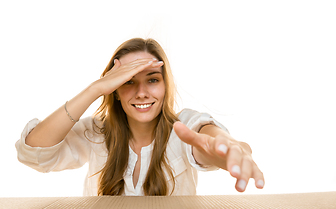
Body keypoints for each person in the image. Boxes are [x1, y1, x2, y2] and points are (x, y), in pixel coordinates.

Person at [15, 38, 264, 196]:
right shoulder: (96, 132)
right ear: (114, 90)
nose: (142, 92)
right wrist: (94, 89)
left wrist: (228, 147)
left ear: (165, 86)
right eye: (128, 81)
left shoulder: (183, 127)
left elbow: (206, 137)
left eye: (153, 80)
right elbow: (34, 153)